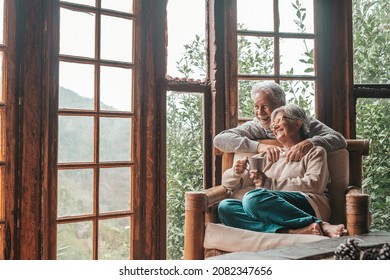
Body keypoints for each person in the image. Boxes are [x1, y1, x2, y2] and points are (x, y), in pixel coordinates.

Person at [218, 104, 346, 238]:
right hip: (272, 208)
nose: (274, 126)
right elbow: (228, 184)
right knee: (225, 207)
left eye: (279, 121)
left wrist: (269, 183)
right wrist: (236, 171)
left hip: (309, 204)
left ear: (297, 124)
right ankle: (293, 231)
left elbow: (315, 184)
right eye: (273, 124)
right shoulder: (269, 156)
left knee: (253, 198)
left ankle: (321, 224)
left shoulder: (315, 151)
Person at [213, 81, 347, 162]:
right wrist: (260, 147)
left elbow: (339, 139)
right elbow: (220, 140)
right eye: (256, 106)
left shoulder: (301, 121)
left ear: (281, 105)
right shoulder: (255, 125)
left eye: (265, 106)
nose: (260, 112)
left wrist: (310, 143)